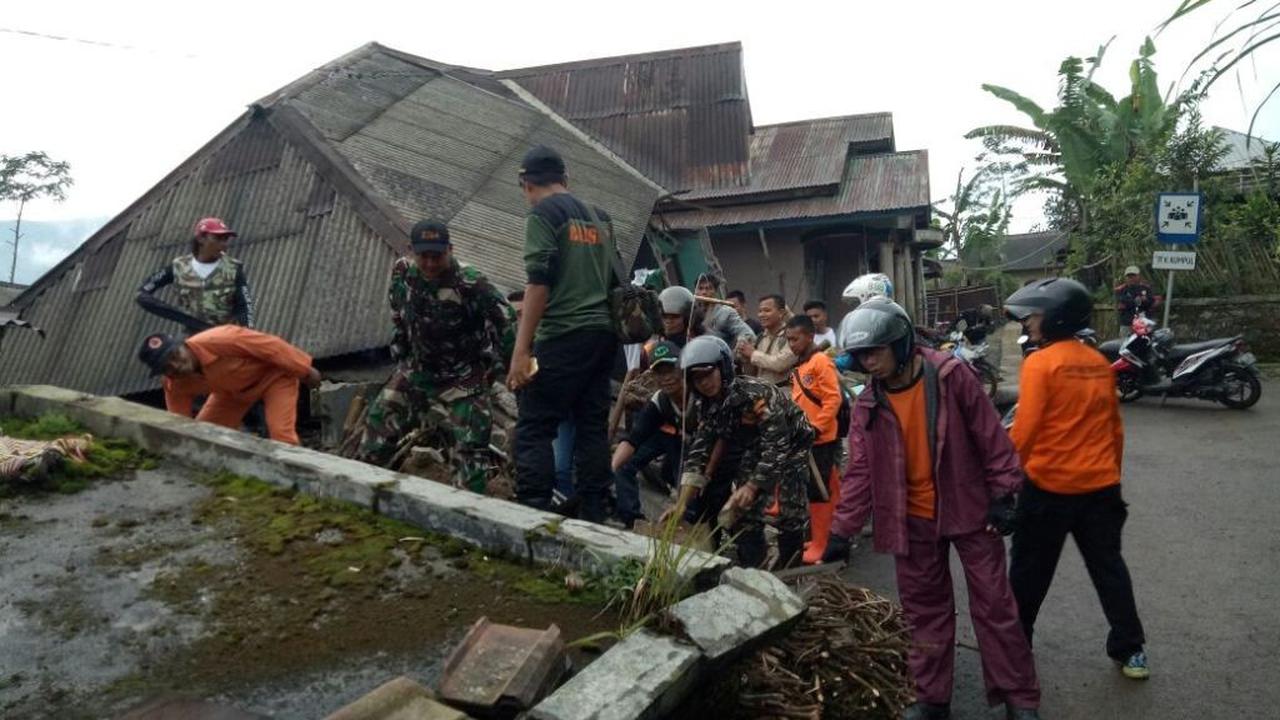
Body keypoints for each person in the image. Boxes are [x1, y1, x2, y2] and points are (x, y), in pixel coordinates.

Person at [823, 297, 1041, 720]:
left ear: (901, 343)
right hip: (911, 520)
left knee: (995, 606)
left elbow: (989, 433)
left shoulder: (948, 374)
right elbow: (861, 473)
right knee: (924, 612)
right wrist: (841, 532)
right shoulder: (868, 403)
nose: (869, 363)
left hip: (970, 510)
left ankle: (1019, 698)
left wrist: (1003, 493)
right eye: (863, 355)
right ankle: (931, 699)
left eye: (876, 351)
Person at [1004, 277, 1150, 681]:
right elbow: (1114, 431)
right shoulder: (1099, 364)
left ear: (1054, 318)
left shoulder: (1039, 363)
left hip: (1048, 489)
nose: (1029, 324)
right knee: (1109, 569)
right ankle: (1131, 650)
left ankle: (1016, 648)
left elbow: (1025, 431)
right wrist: (1111, 479)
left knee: (1029, 572)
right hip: (1101, 490)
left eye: (1034, 316)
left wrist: (1001, 482)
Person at [356, 219, 514, 493]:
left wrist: (504, 368)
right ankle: (364, 495)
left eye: (437, 256)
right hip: (417, 373)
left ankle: (467, 517)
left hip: (462, 381)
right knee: (377, 424)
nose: (429, 263)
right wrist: (402, 350)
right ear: (411, 251)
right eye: (423, 256)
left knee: (470, 454)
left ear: (450, 250)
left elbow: (507, 323)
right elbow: (398, 310)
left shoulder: (471, 283)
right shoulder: (403, 272)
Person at [507, 145, 619, 523]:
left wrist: (522, 350)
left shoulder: (542, 214)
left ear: (526, 184)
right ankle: (594, 512)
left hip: (563, 334)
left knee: (535, 424)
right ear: (565, 179)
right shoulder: (600, 217)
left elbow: (539, 282)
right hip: (603, 335)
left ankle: (533, 513)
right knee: (591, 426)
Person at [680, 335, 814, 569]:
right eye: (696, 378)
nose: (704, 382)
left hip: (791, 442)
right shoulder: (707, 404)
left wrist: (753, 486)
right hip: (754, 445)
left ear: (722, 368)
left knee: (790, 512)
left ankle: (792, 571)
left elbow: (777, 445)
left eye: (708, 373)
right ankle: (755, 571)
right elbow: (700, 448)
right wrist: (681, 502)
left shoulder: (754, 395)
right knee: (743, 511)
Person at [137, 217, 256, 417]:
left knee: (239, 384)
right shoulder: (178, 267)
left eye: (226, 239)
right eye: (218, 238)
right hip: (192, 338)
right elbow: (142, 294)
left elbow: (245, 304)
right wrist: (178, 315)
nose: (224, 244)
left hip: (224, 337)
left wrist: (246, 334)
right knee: (188, 380)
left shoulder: (233, 268)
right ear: (201, 238)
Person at [137, 326, 321, 445]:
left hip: (274, 378)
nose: (176, 366)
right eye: (167, 367)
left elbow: (271, 346)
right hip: (231, 395)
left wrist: (304, 370)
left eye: (175, 356)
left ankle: (300, 483)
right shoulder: (174, 384)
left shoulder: (220, 339)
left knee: (281, 434)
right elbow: (180, 425)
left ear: (183, 345)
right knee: (204, 437)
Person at [784, 314, 843, 564]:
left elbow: (833, 399)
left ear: (810, 336)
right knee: (831, 486)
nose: (791, 344)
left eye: (795, 339)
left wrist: (817, 427)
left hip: (821, 438)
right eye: (788, 340)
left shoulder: (820, 362)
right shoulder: (801, 366)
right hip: (808, 437)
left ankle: (821, 542)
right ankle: (835, 532)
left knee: (819, 492)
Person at [612, 340, 685, 527]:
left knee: (684, 484)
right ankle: (633, 520)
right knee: (624, 464)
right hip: (660, 434)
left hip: (687, 443)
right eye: (660, 372)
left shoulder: (699, 396)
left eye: (671, 370)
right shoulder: (659, 400)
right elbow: (634, 438)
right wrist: (611, 468)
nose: (667, 377)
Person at [835, 273, 895, 371]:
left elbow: (857, 355)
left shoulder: (882, 324)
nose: (856, 310)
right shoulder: (875, 321)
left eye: (857, 303)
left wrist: (836, 362)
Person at [739, 294, 795, 385]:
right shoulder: (760, 338)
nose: (761, 315)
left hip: (785, 394)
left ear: (781, 313)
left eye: (767, 310)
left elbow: (780, 364)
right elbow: (751, 374)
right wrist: (746, 359)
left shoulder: (791, 336)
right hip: (763, 394)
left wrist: (753, 354)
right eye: (760, 311)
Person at [691, 275, 756, 350]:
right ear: (695, 291)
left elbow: (748, 335)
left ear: (715, 291)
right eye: (700, 288)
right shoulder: (692, 313)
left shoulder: (726, 312)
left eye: (708, 288)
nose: (704, 292)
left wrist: (734, 353)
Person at [1114, 265, 1158, 334]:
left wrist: (1144, 301)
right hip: (1127, 323)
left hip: (1143, 323)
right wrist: (1139, 300)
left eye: (1133, 276)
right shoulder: (1121, 289)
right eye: (1129, 276)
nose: (1131, 278)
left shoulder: (1146, 288)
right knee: (1124, 342)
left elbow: (1151, 302)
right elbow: (1124, 301)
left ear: (1138, 276)